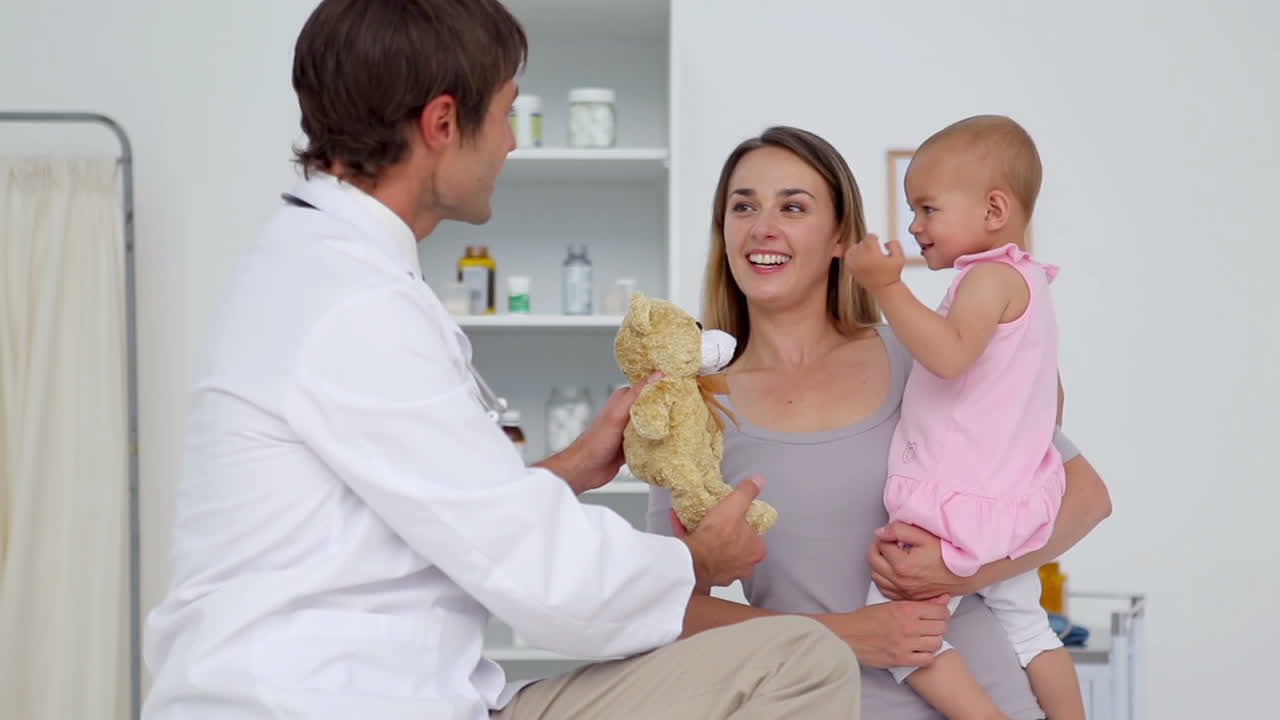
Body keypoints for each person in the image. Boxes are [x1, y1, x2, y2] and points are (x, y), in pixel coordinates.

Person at [140, 3, 860, 719]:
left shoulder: (330, 272)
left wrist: (575, 465)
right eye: (507, 114)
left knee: (796, 658)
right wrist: (699, 562)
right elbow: (546, 585)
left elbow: (447, 516)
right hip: (323, 702)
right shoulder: (351, 306)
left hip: (403, 692)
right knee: (802, 663)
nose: (512, 143)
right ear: (444, 124)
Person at [648, 125, 1112, 720]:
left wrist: (958, 572)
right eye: (743, 207)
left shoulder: (929, 353)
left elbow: (1086, 499)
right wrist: (841, 633)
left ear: (841, 236)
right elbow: (668, 608)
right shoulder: (687, 407)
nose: (763, 227)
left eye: (793, 206)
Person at [847, 115, 1084, 720]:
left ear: (994, 209)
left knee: (898, 635)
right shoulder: (1029, 285)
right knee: (1032, 634)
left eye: (927, 209)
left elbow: (949, 356)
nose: (914, 225)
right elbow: (1050, 402)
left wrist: (887, 288)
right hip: (1008, 505)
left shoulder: (989, 279)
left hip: (955, 513)